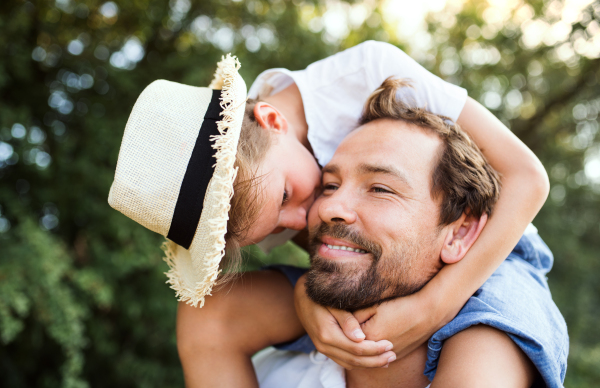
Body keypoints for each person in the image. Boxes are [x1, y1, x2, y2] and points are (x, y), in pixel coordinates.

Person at [176, 42, 566, 387]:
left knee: (485, 355)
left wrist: (432, 307)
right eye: (329, 186)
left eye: (284, 197)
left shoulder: (368, 69)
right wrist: (306, 299)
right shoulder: (260, 199)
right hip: (387, 263)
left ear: (273, 120)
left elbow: (528, 179)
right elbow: (341, 262)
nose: (308, 216)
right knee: (206, 311)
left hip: (502, 245)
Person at [253, 82, 543, 387]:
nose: (329, 208)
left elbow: (530, 178)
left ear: (459, 234)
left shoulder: (495, 350)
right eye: (329, 186)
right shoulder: (266, 374)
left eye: (380, 188)